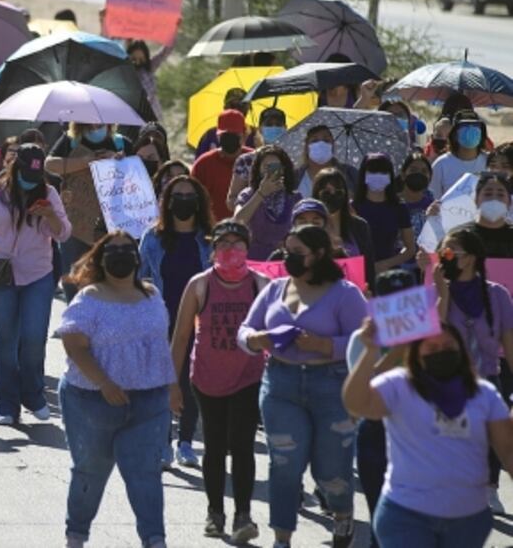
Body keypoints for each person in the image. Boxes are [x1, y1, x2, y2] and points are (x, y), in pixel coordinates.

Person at [238, 225, 367, 548]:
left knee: (330, 468)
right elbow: (245, 330)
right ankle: (282, 538)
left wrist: (325, 345)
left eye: (298, 253)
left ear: (320, 254)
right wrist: (257, 339)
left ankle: (342, 515)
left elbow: (365, 341)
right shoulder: (275, 289)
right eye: (287, 251)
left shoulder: (346, 293)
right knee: (284, 464)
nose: (289, 258)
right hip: (281, 384)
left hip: (332, 386)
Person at [343, 320, 513, 548]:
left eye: (448, 346)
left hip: (467, 519)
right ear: (416, 354)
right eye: (432, 348)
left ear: (462, 350)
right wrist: (370, 351)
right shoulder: (398, 385)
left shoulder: (484, 394)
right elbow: (356, 403)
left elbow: (508, 450)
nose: (441, 352)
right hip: (405, 515)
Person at [56, 230, 175, 548]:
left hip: (149, 400)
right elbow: (74, 345)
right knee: (90, 471)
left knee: (146, 473)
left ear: (137, 258)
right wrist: (104, 383)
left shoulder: (152, 294)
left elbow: (160, 345)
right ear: (100, 259)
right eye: (113, 250)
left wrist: (173, 386)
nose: (121, 255)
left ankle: (154, 540)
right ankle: (76, 536)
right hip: (92, 401)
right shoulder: (89, 298)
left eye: (127, 249)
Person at [171, 220, 267, 542]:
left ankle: (243, 515)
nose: (230, 249)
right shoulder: (200, 284)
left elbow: (279, 330)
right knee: (214, 446)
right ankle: (215, 513)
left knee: (242, 445)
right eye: (223, 243)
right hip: (207, 378)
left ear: (248, 249)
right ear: (212, 250)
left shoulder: (261, 284)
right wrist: (172, 385)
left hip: (248, 377)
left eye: (237, 243)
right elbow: (181, 336)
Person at [0, 144, 71, 424]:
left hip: (38, 275)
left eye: (35, 177)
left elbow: (64, 234)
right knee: (7, 340)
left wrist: (49, 215)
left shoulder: (49, 194)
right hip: (0, 276)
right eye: (25, 175)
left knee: (34, 337)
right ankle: (6, 404)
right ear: (14, 167)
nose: (29, 182)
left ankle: (33, 395)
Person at [420, 227, 513, 512]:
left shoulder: (497, 294)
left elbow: (509, 342)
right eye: (442, 252)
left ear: (470, 257)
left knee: (495, 439)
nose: (444, 257)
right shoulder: (435, 292)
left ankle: (489, 487)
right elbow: (431, 336)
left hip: (488, 378)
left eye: (450, 252)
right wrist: (443, 293)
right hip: (449, 383)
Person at [138, 175, 214, 468]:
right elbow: (139, 277)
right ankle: (163, 441)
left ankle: (186, 442)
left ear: (199, 201)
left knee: (191, 381)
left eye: (189, 195)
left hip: (199, 320)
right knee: (163, 381)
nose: (183, 201)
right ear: (167, 203)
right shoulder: (152, 238)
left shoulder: (209, 239)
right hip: (161, 319)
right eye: (177, 195)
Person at [343, 269, 417, 548]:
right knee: (381, 515)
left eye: (405, 299)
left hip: (418, 434)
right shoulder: (361, 339)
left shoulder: (432, 338)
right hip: (376, 432)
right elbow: (362, 392)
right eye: (390, 300)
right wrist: (396, 351)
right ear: (374, 300)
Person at [47, 122, 133, 302]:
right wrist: (84, 161)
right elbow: (49, 164)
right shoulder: (70, 140)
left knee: (108, 276)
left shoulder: (121, 143)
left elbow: (137, 177)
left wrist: (119, 162)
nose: (95, 123)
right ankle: (76, 312)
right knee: (73, 277)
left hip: (111, 226)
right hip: (76, 225)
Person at [234, 145, 302, 261]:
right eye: (266, 166)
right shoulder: (248, 195)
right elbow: (237, 222)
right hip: (254, 260)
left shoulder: (295, 198)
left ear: (284, 169)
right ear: (258, 169)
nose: (271, 170)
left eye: (276, 166)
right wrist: (261, 194)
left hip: (284, 261)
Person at [352, 154, 415, 274]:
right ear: (363, 175)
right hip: (360, 272)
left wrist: (386, 264)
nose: (378, 176)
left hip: (390, 274)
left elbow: (410, 249)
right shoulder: (352, 207)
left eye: (383, 172)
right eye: (373, 171)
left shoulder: (399, 207)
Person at [313, 167, 376, 286]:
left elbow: (369, 269)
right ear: (317, 194)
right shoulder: (310, 227)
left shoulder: (360, 226)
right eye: (326, 192)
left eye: (338, 192)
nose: (332, 196)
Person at [192, 109, 252, 224]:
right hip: (213, 229)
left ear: (244, 135)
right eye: (225, 135)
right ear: (217, 136)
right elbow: (194, 199)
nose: (229, 139)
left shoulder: (255, 160)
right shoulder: (203, 164)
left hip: (249, 229)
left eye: (234, 135)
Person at [225, 107, 287, 213]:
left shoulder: (293, 159)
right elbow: (232, 200)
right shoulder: (246, 161)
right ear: (260, 129)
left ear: (285, 128)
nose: (274, 128)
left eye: (278, 124)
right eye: (269, 124)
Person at [429, 111, 488, 197]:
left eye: (475, 126)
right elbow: (434, 198)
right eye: (464, 126)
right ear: (454, 134)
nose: (470, 129)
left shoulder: (490, 161)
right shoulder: (441, 165)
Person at [295, 124, 359, 198]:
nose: (321, 144)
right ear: (306, 147)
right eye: (314, 141)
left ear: (333, 145)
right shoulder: (294, 177)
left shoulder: (350, 174)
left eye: (326, 140)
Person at [462, 172, 513, 258]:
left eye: (500, 195)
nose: (494, 199)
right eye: (488, 194)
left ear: (510, 203)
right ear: (476, 200)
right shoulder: (460, 237)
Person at [194, 89, 259, 157]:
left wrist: (260, 148)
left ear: (248, 109)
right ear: (225, 108)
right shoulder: (210, 135)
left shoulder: (255, 135)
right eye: (232, 105)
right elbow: (199, 160)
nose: (236, 110)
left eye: (241, 106)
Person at [127, 38, 175, 123]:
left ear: (146, 57)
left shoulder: (149, 68)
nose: (137, 62)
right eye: (134, 59)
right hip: (136, 119)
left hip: (154, 116)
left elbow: (164, 52)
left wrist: (172, 34)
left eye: (141, 59)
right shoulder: (125, 74)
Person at [398, 152, 435, 249]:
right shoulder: (392, 204)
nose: (418, 174)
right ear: (403, 174)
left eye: (424, 171)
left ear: (430, 177)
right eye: (413, 170)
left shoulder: (434, 207)